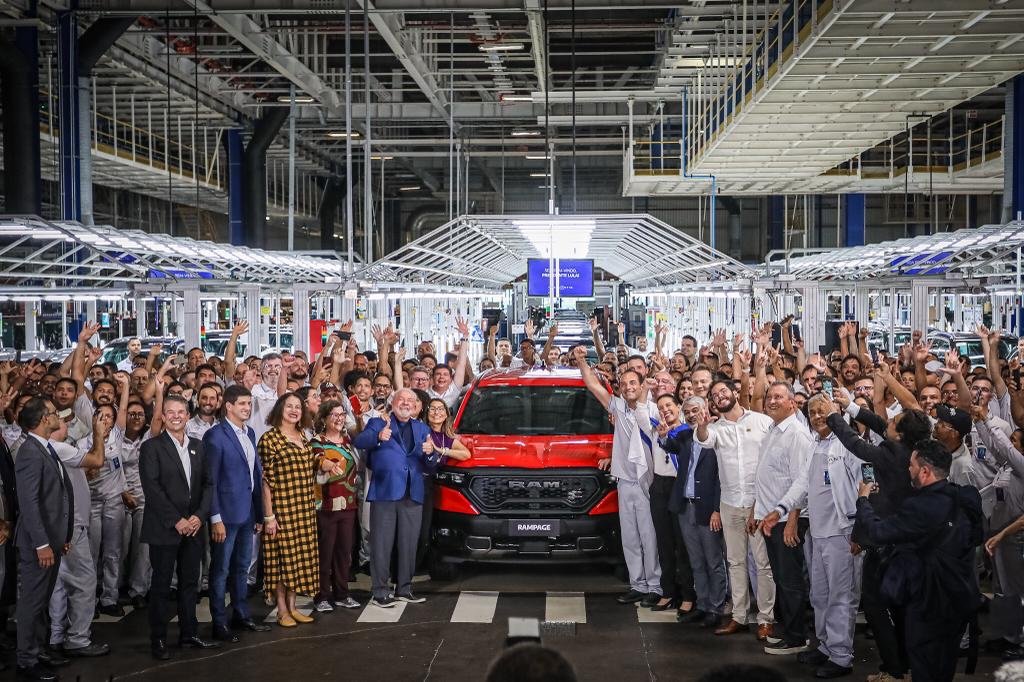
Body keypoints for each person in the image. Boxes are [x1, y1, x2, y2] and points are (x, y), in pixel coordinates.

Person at [855, 439, 984, 682]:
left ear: (924, 471)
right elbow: (977, 537)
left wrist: (863, 499)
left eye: (911, 465)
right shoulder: (965, 497)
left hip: (929, 602)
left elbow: (878, 533)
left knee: (925, 667)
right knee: (943, 667)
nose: (908, 469)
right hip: (960, 597)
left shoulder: (921, 506)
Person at [575, 346, 661, 607]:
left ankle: (655, 586)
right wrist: (581, 360)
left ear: (642, 384)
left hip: (649, 482)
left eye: (633, 383)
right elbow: (592, 384)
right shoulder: (619, 407)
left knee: (650, 537)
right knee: (630, 537)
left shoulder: (655, 411)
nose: (628, 387)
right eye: (623, 384)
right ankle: (638, 584)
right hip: (625, 481)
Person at [693, 379, 775, 639]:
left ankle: (766, 619)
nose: (719, 396)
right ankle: (739, 616)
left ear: (735, 392)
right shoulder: (715, 429)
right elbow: (703, 440)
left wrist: (762, 503)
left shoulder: (762, 421)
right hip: (729, 504)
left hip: (758, 503)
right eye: (714, 395)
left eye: (723, 391)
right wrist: (702, 426)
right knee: (735, 562)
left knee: (762, 564)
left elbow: (772, 460)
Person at [140, 394, 218, 660]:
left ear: (187, 416)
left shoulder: (198, 446)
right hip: (164, 528)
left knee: (190, 584)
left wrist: (198, 516)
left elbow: (208, 484)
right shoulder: (151, 447)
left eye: (180, 412)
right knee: (162, 586)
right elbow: (152, 489)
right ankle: (159, 639)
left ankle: (189, 633)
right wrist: (177, 520)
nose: (175, 416)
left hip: (194, 527)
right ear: (163, 417)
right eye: (170, 412)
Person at [794, 394, 865, 679]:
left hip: (842, 532)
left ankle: (841, 656)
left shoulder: (849, 443)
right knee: (820, 595)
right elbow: (805, 486)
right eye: (812, 413)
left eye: (822, 411)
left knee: (841, 597)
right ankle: (825, 646)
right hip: (818, 532)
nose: (817, 417)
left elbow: (866, 481)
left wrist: (860, 529)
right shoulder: (815, 443)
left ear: (836, 411)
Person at [352, 388, 435, 608]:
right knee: (381, 543)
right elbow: (359, 441)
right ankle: (380, 591)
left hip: (412, 493)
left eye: (410, 400)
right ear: (393, 402)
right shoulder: (379, 422)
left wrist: (430, 453)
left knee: (409, 543)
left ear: (416, 406)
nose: (406, 403)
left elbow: (431, 464)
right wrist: (378, 437)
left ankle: (404, 589)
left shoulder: (422, 428)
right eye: (401, 399)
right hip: (385, 491)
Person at [203, 385, 271, 641]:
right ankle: (219, 622)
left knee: (242, 567)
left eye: (249, 404)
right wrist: (215, 518)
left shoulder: (250, 432)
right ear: (228, 406)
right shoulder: (214, 436)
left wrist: (259, 514)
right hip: (225, 516)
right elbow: (210, 481)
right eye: (242, 403)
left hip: (247, 513)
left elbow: (254, 475)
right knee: (220, 570)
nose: (247, 408)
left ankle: (241, 615)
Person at [14, 398, 74, 681]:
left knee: (40, 601)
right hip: (37, 543)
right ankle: (26, 661)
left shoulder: (44, 447)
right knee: (31, 602)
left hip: (51, 540)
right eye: (52, 413)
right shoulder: (30, 451)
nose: (57, 416)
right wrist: (41, 544)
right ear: (42, 420)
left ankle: (36, 652)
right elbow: (29, 503)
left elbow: (56, 497)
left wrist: (61, 537)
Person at [756, 382, 814, 655]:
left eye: (778, 396)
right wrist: (757, 513)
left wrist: (792, 520)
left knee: (790, 581)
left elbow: (801, 482)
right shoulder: (773, 430)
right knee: (781, 578)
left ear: (792, 403)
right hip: (771, 518)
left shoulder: (797, 435)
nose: (772, 400)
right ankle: (789, 631)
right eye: (769, 396)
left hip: (787, 520)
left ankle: (797, 638)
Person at [48, 413, 111, 660]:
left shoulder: (50, 449)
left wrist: (82, 475)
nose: (65, 425)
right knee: (84, 582)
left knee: (60, 585)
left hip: (64, 526)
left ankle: (56, 637)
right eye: (62, 422)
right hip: (71, 527)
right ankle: (77, 639)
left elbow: (79, 472)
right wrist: (98, 433)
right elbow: (97, 460)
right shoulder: (59, 448)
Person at [661, 395, 727, 628]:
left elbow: (722, 478)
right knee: (696, 561)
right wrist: (663, 435)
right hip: (685, 507)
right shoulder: (685, 436)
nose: (691, 415)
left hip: (708, 509)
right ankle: (703, 605)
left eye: (695, 410)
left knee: (713, 561)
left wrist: (717, 510)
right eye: (687, 412)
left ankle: (716, 608)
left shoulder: (718, 435)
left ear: (706, 409)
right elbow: (670, 445)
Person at [258, 393, 320, 627]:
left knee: (298, 560)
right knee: (281, 561)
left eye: (298, 407)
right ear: (279, 409)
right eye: (289, 406)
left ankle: (293, 607)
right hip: (282, 509)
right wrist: (269, 516)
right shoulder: (270, 439)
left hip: (303, 509)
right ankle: (281, 609)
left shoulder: (303, 436)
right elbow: (265, 481)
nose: (294, 410)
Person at [310, 401, 361, 612]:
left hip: (348, 504)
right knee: (325, 552)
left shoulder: (348, 442)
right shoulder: (317, 441)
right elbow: (317, 460)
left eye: (342, 414)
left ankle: (342, 593)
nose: (339, 418)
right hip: (326, 505)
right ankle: (322, 595)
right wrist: (327, 464)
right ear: (323, 418)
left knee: (344, 551)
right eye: (334, 414)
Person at [421, 398, 472, 567]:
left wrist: (442, 450)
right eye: (433, 409)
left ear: (446, 414)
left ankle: (421, 563)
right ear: (426, 413)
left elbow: (466, 454)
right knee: (418, 529)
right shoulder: (421, 431)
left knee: (429, 528)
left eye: (440, 409)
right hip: (419, 482)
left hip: (435, 487)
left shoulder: (447, 438)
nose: (436, 412)